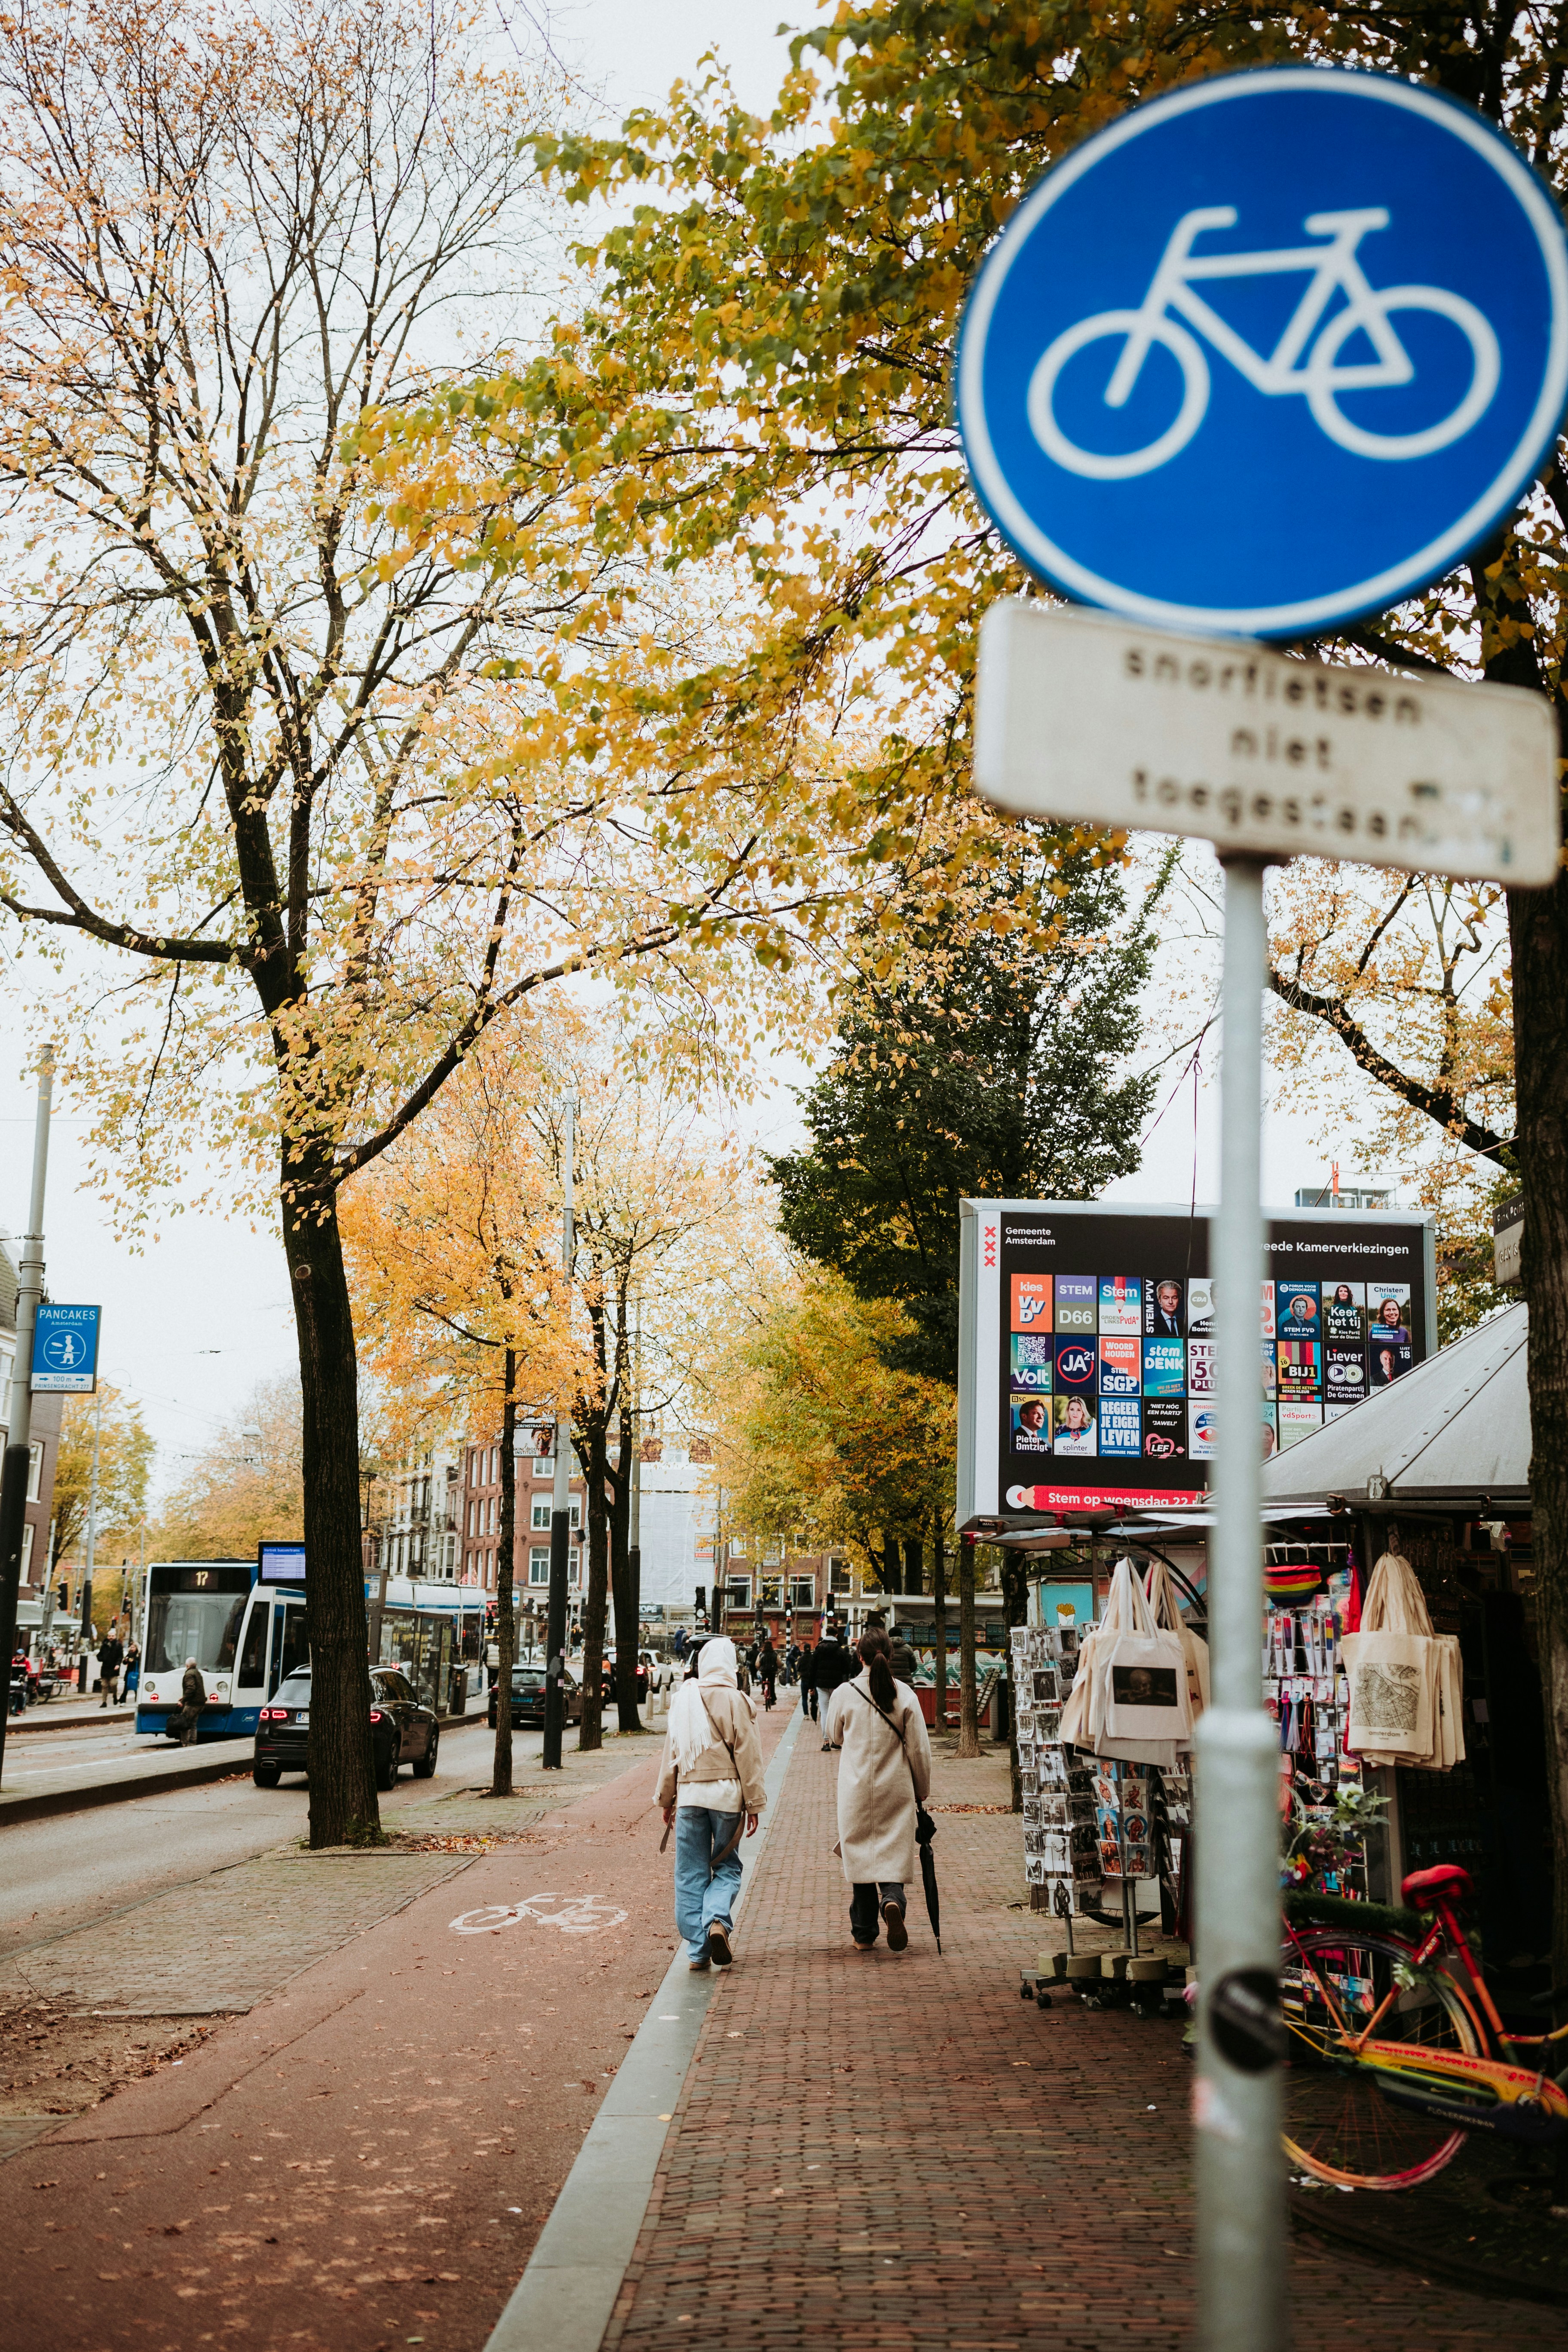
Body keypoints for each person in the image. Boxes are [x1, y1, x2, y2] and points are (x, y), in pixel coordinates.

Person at [655, 1635, 766, 1972]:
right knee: (728, 1866)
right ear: (731, 1664)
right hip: (727, 1798)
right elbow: (749, 1756)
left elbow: (671, 1754)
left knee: (690, 1872)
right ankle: (717, 1919)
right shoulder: (738, 1701)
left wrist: (666, 1799)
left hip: (689, 1796)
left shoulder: (684, 1699)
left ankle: (698, 1951)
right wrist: (755, 1804)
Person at [824, 1630, 933, 1953]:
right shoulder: (906, 1694)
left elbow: (834, 1736)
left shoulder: (845, 1692)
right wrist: (922, 1789)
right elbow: (919, 1750)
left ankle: (864, 1932)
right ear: (889, 1654)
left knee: (859, 1855)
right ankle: (893, 1899)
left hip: (856, 1788)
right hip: (896, 1786)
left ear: (860, 1657)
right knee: (892, 1852)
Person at [811, 1623, 853, 1749]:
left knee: (824, 1712)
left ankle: (826, 1742)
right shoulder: (840, 1651)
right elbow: (847, 1669)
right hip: (837, 1685)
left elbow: (812, 1669)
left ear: (826, 1635)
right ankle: (836, 1740)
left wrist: (811, 1687)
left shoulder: (818, 1650)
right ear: (836, 1635)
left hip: (822, 1685)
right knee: (836, 1712)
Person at [172, 1656, 206, 1746]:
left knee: (185, 1723)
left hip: (193, 1704)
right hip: (200, 1703)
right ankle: (192, 1742)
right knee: (193, 1724)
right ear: (195, 1665)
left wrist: (183, 1701)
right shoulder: (197, 1673)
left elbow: (191, 1689)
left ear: (187, 1665)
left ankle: (185, 1743)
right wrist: (184, 1698)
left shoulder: (189, 1674)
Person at [98, 1630, 123, 1709]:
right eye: (110, 1636)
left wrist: (118, 1665)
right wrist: (102, 1658)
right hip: (105, 1668)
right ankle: (104, 1702)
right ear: (108, 1637)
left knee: (113, 1684)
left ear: (115, 1636)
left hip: (114, 1669)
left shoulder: (118, 1645)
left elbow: (120, 1656)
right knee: (104, 1685)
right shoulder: (104, 1645)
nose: (111, 1637)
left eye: (113, 1636)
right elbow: (100, 1655)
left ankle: (115, 1695)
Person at [798, 1636, 818, 1723]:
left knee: (804, 1697)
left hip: (804, 1680)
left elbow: (798, 1668)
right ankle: (814, 1712)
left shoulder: (801, 1659)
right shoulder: (813, 1658)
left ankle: (806, 1714)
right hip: (812, 1680)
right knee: (813, 1697)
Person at [756, 1633, 778, 1711]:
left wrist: (760, 1669)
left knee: (764, 1681)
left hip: (764, 1671)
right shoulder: (775, 1654)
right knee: (772, 1685)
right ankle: (772, 1699)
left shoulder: (761, 1654)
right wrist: (778, 1668)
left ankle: (764, 1691)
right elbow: (779, 1663)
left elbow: (757, 1664)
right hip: (772, 1672)